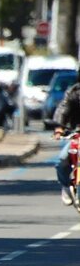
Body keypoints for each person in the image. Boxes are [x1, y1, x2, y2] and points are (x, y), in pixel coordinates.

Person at [53, 70, 80, 205]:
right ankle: (65, 186)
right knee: (62, 159)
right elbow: (63, 109)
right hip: (77, 134)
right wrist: (59, 128)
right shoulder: (74, 93)